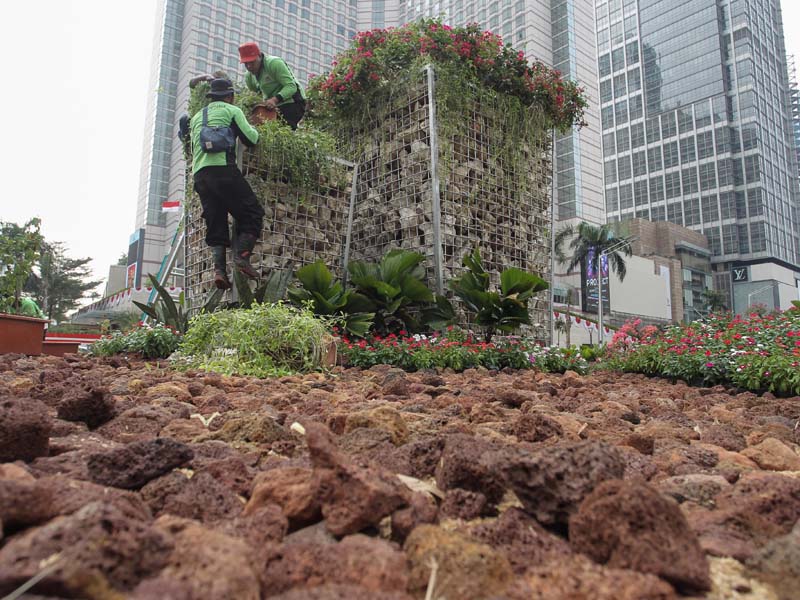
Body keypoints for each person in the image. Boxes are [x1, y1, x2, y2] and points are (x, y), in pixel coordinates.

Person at [182, 78, 264, 289]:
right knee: (253, 212)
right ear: (230, 96)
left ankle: (219, 271)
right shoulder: (232, 110)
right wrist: (257, 127)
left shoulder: (198, 116)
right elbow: (251, 138)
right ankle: (242, 257)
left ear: (211, 97)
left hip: (200, 176)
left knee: (216, 221)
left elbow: (191, 146)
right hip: (223, 171)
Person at [239, 42, 307, 130]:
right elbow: (256, 94)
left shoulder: (274, 63)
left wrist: (274, 100)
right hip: (271, 107)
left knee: (285, 130)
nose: (249, 66)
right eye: (246, 63)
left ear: (259, 56)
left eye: (252, 62)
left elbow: (291, 86)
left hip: (292, 102)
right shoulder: (249, 77)